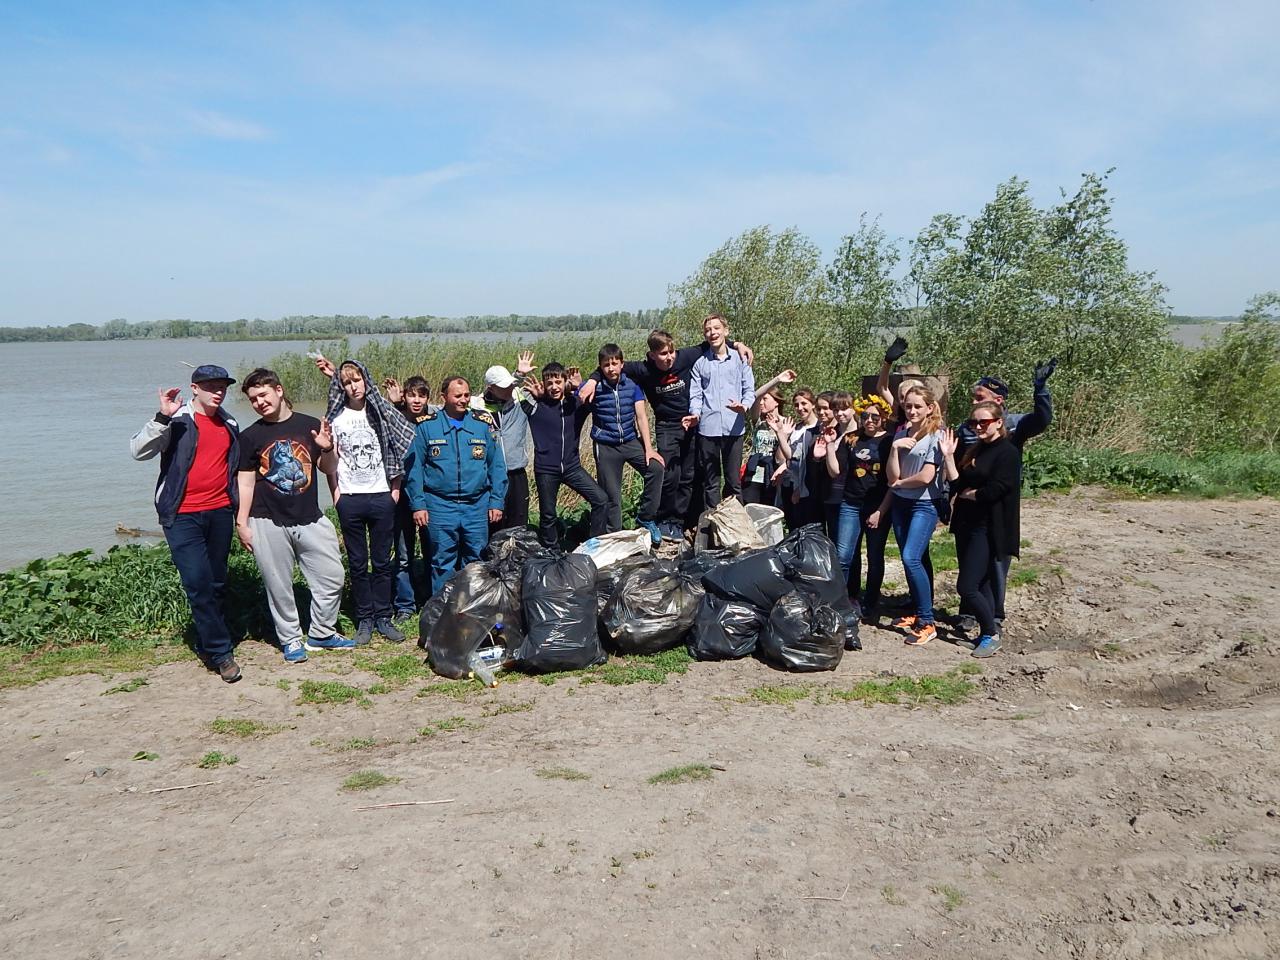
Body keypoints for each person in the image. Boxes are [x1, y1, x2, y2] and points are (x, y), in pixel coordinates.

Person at [579, 329, 755, 540]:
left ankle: (680, 521)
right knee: (669, 474)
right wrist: (592, 379)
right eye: (663, 354)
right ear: (652, 355)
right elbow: (613, 366)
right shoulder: (644, 369)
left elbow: (712, 342)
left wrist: (738, 344)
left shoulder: (685, 356)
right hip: (666, 426)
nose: (669, 357)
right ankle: (663, 519)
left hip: (691, 422)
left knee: (688, 476)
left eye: (671, 352)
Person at [130, 364, 243, 682]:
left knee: (217, 582)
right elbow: (138, 451)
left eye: (223, 386)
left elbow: (235, 468)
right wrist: (161, 416)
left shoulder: (229, 422)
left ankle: (208, 641)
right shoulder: (177, 421)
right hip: (182, 515)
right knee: (198, 583)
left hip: (220, 511)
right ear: (195, 388)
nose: (218, 391)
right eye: (211, 386)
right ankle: (222, 653)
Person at [234, 368, 354, 662]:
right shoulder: (250, 436)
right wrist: (242, 522)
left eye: (262, 395)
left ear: (279, 390)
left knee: (332, 576)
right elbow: (246, 482)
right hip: (266, 520)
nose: (259, 402)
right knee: (278, 585)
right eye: (253, 399)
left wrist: (327, 449)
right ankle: (290, 639)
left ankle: (322, 632)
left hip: (310, 517)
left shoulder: (310, 426)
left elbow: (328, 468)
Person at [315, 355, 416, 645]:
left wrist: (394, 489)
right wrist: (336, 495)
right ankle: (365, 619)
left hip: (382, 496)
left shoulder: (380, 411)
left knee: (383, 561)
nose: (354, 386)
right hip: (350, 498)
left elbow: (399, 446)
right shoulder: (335, 418)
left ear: (366, 380)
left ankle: (384, 616)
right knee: (358, 563)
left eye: (357, 380)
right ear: (341, 387)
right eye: (347, 383)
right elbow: (329, 461)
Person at [951, 359, 1056, 633]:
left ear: (998, 400)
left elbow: (1042, 420)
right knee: (969, 562)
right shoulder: (968, 426)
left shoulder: (1014, 426)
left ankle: (994, 614)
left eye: (980, 397)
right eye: (974, 398)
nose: (974, 403)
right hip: (968, 508)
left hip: (997, 506)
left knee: (995, 563)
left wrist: (1041, 390)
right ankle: (969, 612)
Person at [405, 376, 508, 596]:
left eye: (467, 395)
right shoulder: (427, 427)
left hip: (476, 506)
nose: (463, 400)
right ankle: (442, 613)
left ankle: (472, 610)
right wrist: (418, 504)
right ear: (444, 397)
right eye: (458, 396)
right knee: (442, 562)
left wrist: (496, 501)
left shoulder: (482, 425)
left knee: (476, 561)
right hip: (440, 505)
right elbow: (414, 470)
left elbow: (497, 466)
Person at [940, 402, 1023, 658]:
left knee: (967, 587)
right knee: (982, 583)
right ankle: (985, 634)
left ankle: (991, 632)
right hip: (967, 524)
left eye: (983, 422)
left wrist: (973, 495)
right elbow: (957, 483)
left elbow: (1000, 488)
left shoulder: (1007, 452)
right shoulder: (976, 448)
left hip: (989, 527)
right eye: (973, 423)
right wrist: (948, 456)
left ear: (999, 422)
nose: (977, 427)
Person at [521, 362, 609, 549]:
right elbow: (512, 396)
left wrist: (581, 385)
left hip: (572, 467)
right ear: (544, 384)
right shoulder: (537, 407)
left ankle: (594, 546)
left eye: (558, 382)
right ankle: (552, 552)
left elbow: (598, 401)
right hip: (546, 469)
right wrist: (520, 375)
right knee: (548, 514)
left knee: (601, 499)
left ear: (564, 382)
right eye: (549, 382)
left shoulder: (574, 404)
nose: (554, 387)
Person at [584, 344, 664, 544]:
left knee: (656, 468)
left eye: (614, 363)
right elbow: (577, 395)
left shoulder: (632, 386)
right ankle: (615, 538)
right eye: (606, 365)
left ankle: (646, 518)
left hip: (630, 441)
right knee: (612, 496)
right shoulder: (597, 387)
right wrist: (579, 385)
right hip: (606, 446)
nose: (611, 368)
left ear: (622, 364)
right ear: (600, 367)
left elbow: (641, 417)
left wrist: (649, 448)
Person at [887, 384, 947, 646]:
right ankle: (919, 609)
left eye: (917, 406)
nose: (911, 410)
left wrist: (900, 484)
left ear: (930, 408)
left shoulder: (936, 435)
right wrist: (894, 449)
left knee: (911, 558)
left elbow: (926, 476)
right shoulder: (902, 432)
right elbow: (891, 475)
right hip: (901, 504)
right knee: (916, 558)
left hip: (924, 504)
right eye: (908, 406)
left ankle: (927, 621)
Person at [827, 394, 894, 621]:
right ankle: (841, 600)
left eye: (875, 416)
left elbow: (893, 482)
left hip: (877, 506)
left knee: (875, 556)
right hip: (851, 503)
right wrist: (828, 444)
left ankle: (871, 603)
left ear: (884, 418)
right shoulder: (851, 439)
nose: (870, 420)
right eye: (865, 415)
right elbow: (836, 470)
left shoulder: (889, 442)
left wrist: (881, 511)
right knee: (843, 555)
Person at [684, 314, 757, 509]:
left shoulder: (740, 359)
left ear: (726, 331)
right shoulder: (700, 364)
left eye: (716, 328)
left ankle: (736, 525)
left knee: (734, 481)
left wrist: (745, 405)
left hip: (734, 428)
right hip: (708, 429)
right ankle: (711, 527)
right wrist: (695, 414)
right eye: (708, 330)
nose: (712, 333)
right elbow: (696, 395)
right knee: (711, 482)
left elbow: (749, 389)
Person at [384, 375, 434, 614]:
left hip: (427, 496)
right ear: (404, 396)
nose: (416, 400)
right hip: (400, 495)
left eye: (421, 395)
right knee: (403, 553)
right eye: (411, 395)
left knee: (431, 550)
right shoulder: (396, 418)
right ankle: (405, 605)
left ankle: (429, 599)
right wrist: (395, 405)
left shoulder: (432, 420)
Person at [473, 351, 536, 534]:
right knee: (493, 523)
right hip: (489, 476)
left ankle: (518, 558)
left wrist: (520, 374)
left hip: (516, 473)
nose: (509, 388)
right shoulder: (476, 407)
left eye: (510, 384)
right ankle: (493, 560)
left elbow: (543, 396)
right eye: (503, 386)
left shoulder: (518, 398)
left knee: (518, 524)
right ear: (491, 388)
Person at [741, 370, 797, 505]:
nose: (761, 403)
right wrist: (777, 379)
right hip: (755, 470)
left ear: (777, 402)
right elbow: (755, 396)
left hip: (774, 471)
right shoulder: (759, 422)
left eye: (765, 399)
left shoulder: (787, 423)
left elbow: (789, 454)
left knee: (770, 508)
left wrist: (784, 434)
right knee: (750, 506)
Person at [779, 388, 822, 531]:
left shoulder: (819, 429)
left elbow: (809, 463)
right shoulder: (795, 428)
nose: (800, 408)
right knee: (793, 527)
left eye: (804, 404)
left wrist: (800, 488)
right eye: (796, 405)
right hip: (790, 483)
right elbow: (784, 457)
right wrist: (783, 435)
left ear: (813, 404)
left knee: (808, 527)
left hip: (809, 487)